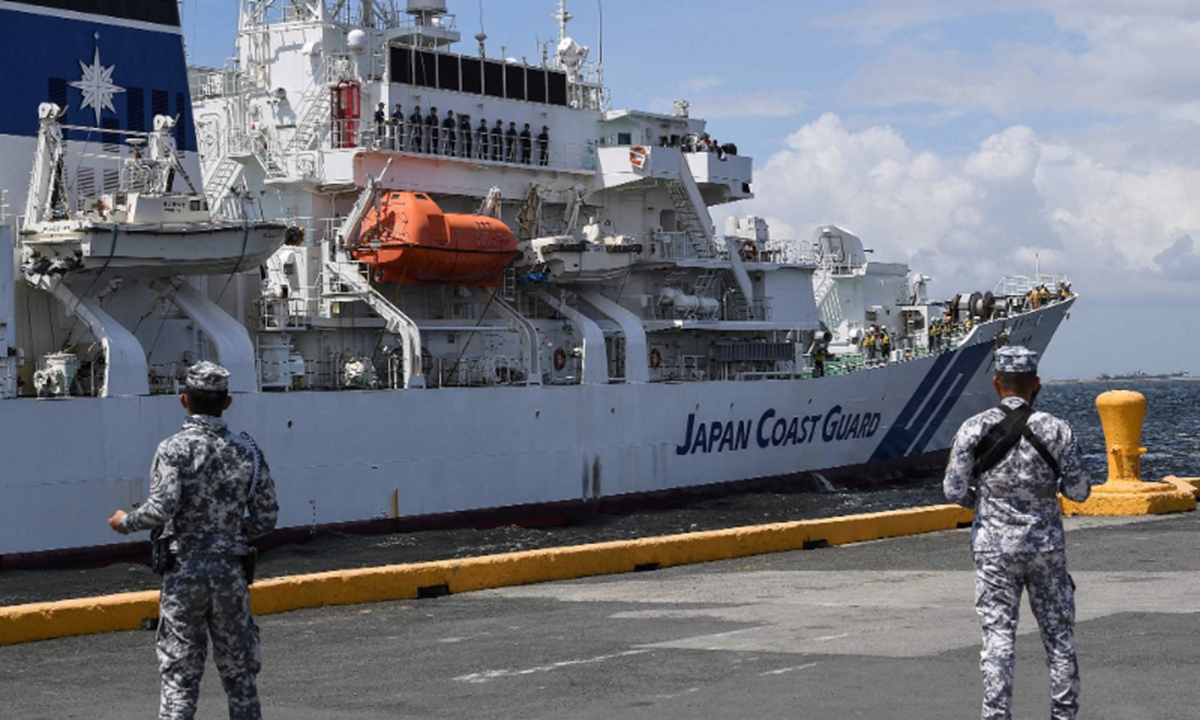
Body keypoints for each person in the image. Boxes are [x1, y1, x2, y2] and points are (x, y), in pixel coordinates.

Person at [108, 361, 279, 720]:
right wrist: (229, 536)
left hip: (183, 571)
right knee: (240, 677)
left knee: (180, 677)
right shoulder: (248, 451)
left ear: (183, 400)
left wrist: (126, 522)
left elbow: (161, 508)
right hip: (231, 573)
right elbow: (265, 518)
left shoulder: (173, 449)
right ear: (227, 402)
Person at [943, 346, 1092, 720]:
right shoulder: (1058, 429)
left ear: (997, 383)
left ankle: (996, 716)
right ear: (1036, 385)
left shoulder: (973, 428)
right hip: (1046, 548)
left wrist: (986, 501)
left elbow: (954, 490)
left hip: (994, 550)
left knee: (997, 639)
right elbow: (1079, 491)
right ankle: (1064, 715)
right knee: (1059, 635)